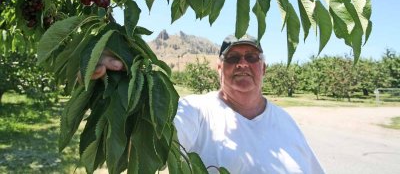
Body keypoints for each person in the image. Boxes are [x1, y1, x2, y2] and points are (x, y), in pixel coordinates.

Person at [92, 34, 325, 174]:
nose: (242, 64)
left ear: (263, 68)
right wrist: (116, 80)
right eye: (233, 58)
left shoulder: (286, 120)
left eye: (252, 58)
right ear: (219, 69)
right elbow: (156, 138)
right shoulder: (195, 111)